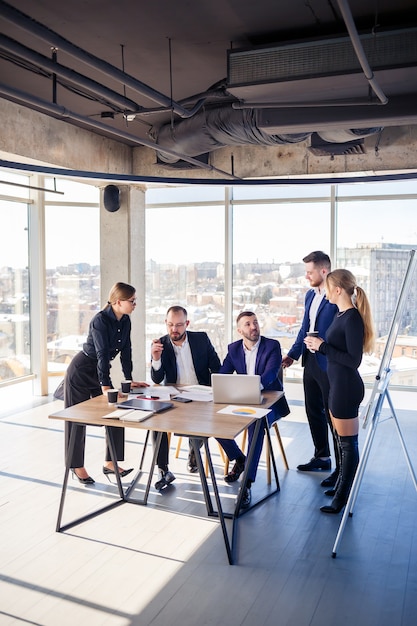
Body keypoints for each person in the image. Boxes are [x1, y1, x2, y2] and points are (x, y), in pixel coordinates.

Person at [305, 269, 374, 514]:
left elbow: (353, 360)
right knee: (342, 441)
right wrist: (319, 346)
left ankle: (342, 497)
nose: (324, 292)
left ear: (337, 290)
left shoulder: (352, 318)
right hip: (338, 384)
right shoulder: (342, 314)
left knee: (347, 444)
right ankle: (341, 489)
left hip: (346, 387)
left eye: (327, 288)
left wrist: (323, 346)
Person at [64, 282, 148, 484]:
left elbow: (126, 352)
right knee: (76, 420)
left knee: (116, 412)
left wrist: (129, 379)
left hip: (99, 371)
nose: (135, 304)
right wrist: (106, 386)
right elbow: (101, 355)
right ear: (118, 302)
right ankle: (76, 466)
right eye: (132, 301)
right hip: (82, 371)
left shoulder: (125, 320)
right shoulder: (100, 321)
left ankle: (111, 462)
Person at [216, 311, 290, 508]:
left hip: (270, 402)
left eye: (255, 322)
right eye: (247, 324)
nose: (253, 327)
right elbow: (223, 374)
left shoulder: (271, 346)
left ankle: (246, 483)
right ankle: (240, 459)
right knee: (215, 422)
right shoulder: (233, 349)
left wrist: (252, 388)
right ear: (240, 330)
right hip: (242, 401)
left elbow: (271, 374)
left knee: (256, 425)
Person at [282, 251, 339, 487]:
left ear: (323, 271)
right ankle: (322, 457)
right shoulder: (309, 295)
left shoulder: (337, 296)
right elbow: (305, 328)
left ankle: (342, 468)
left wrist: (324, 347)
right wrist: (292, 355)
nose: (306, 276)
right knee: (313, 409)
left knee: (333, 415)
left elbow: (340, 332)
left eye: (310, 272)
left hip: (329, 362)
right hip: (310, 361)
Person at [150, 305, 221, 486]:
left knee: (199, 418)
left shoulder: (201, 339)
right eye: (170, 325)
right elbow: (157, 378)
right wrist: (156, 358)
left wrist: (216, 389)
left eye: (179, 325)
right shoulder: (161, 344)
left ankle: (194, 452)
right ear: (165, 323)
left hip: (202, 392)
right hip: (176, 397)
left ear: (187, 323)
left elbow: (217, 367)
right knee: (155, 420)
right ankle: (163, 469)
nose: (174, 329)